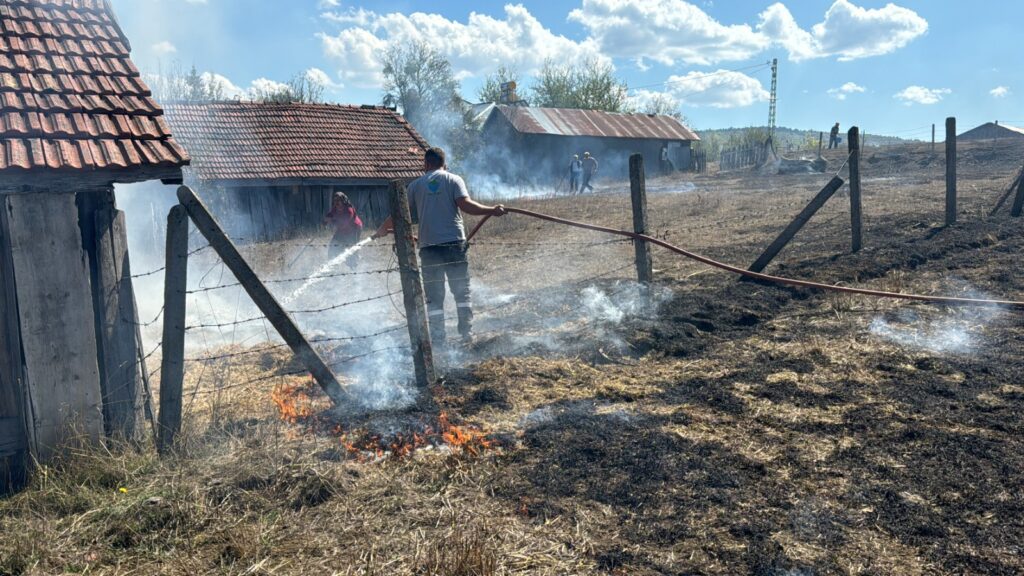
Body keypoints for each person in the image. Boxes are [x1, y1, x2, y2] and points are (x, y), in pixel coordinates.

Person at [373, 147, 507, 347]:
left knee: (434, 296)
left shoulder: (415, 186)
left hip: (429, 248)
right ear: (444, 163)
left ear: (425, 164)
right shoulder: (454, 180)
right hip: (454, 244)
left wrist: (382, 229)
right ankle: (466, 334)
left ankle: (438, 338)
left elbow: (399, 214)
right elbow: (466, 205)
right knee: (461, 291)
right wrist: (492, 210)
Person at [324, 191, 363, 265]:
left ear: (343, 201)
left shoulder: (349, 210)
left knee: (351, 250)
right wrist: (325, 221)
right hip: (342, 230)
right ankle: (331, 263)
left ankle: (354, 267)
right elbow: (330, 214)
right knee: (333, 245)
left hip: (354, 229)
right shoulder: (336, 208)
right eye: (335, 201)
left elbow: (343, 224)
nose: (336, 203)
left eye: (338, 201)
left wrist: (331, 220)